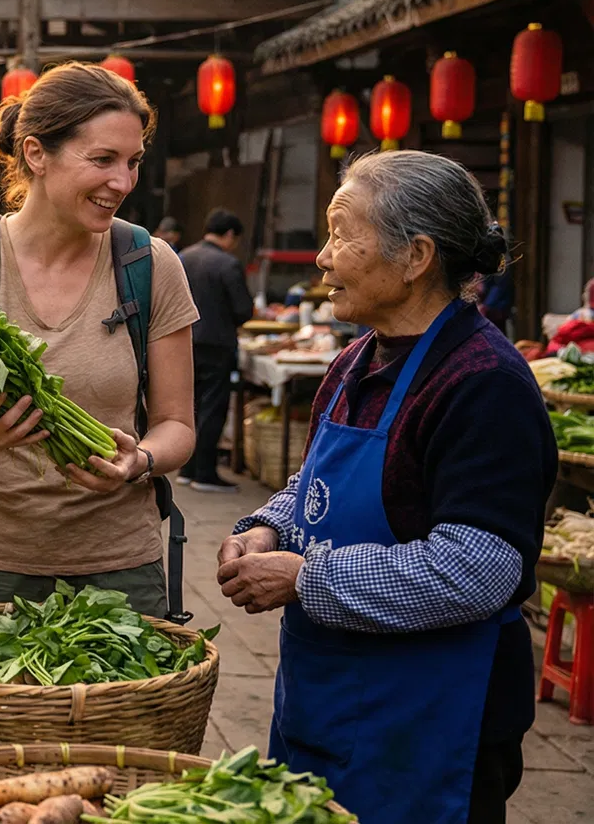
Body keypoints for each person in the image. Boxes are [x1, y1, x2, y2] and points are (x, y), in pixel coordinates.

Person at [218, 150, 552, 824]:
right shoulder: (356, 359)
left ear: (416, 255)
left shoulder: (483, 384)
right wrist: (270, 526)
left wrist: (306, 576)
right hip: (330, 699)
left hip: (433, 721)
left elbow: (478, 569)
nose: (323, 256)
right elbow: (313, 484)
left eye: (344, 233)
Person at [0, 62, 198, 615]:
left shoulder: (150, 265)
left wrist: (140, 461)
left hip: (117, 570)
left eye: (132, 162)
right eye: (103, 160)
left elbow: (177, 425)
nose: (123, 182)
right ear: (36, 154)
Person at [177, 208, 253, 492]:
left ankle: (187, 467)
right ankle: (205, 472)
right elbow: (243, 310)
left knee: (190, 405)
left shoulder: (184, 257)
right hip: (216, 343)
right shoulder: (228, 264)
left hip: (184, 340)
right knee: (212, 407)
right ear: (231, 234)